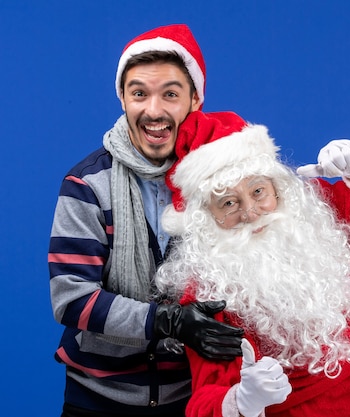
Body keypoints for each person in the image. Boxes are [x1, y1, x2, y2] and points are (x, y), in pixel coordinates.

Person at [154, 110, 350, 416]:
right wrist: (242, 400)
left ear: (277, 187)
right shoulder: (207, 291)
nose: (251, 213)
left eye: (258, 191)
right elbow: (206, 400)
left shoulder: (312, 223)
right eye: (228, 203)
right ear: (206, 219)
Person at [48, 25, 244, 417]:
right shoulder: (87, 184)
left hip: (194, 399)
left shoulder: (224, 182)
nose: (153, 110)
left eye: (170, 93)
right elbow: (72, 299)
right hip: (99, 399)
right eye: (139, 93)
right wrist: (169, 321)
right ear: (122, 98)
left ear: (195, 100)